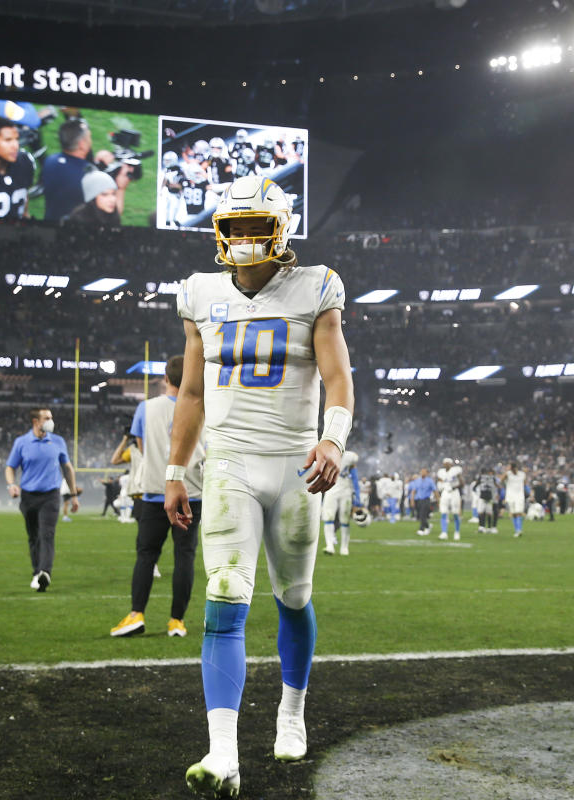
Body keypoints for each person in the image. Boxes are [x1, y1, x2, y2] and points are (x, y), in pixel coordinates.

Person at [164, 175, 354, 796]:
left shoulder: (315, 286)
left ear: (281, 229)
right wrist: (174, 471)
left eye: (255, 226)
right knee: (224, 593)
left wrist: (333, 440)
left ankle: (291, 713)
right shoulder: (198, 294)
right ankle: (223, 753)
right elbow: (190, 393)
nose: (244, 239)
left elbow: (337, 376)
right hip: (230, 464)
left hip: (298, 464)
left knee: (293, 597)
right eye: (234, 226)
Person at [111, 355, 205, 639]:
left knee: (146, 555)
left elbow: (141, 447)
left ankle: (136, 614)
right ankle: (177, 621)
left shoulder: (146, 408)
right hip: (192, 491)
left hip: (155, 491)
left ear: (166, 379)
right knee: (184, 557)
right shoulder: (204, 406)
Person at [5, 408, 80, 592]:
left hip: (51, 496)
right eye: (47, 418)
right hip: (28, 497)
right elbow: (10, 467)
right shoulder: (22, 442)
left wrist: (73, 495)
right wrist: (11, 484)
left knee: (47, 534)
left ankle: (45, 572)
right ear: (35, 421)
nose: (51, 421)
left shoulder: (58, 442)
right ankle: (36, 572)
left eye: (51, 417)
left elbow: (68, 469)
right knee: (34, 537)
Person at [42, 117, 130, 221]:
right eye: (89, 137)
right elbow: (112, 212)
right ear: (82, 144)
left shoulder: (49, 161)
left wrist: (95, 165)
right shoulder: (90, 177)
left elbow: (71, 173)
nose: (90, 140)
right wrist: (121, 188)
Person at [321, 450, 360, 556]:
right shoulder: (327, 454)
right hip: (331, 490)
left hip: (345, 491)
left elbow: (355, 477)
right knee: (328, 517)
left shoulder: (350, 457)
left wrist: (357, 495)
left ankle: (344, 547)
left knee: (345, 519)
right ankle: (330, 546)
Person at [435, 457, 463, 541]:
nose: (446, 464)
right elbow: (440, 481)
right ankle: (444, 532)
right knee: (443, 512)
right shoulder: (441, 472)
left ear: (451, 464)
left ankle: (457, 532)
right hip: (445, 492)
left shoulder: (456, 470)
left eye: (448, 463)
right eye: (445, 463)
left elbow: (462, 483)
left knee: (455, 513)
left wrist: (459, 479)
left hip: (454, 492)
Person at [505, 462, 528, 537]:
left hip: (519, 496)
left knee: (518, 512)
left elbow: (525, 483)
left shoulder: (522, 474)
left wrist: (528, 492)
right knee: (513, 514)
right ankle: (517, 530)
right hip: (510, 496)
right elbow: (501, 480)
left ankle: (519, 530)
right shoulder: (508, 474)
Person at [410, 468, 435, 536]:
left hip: (426, 499)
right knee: (420, 515)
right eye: (421, 472)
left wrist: (438, 500)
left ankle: (421, 529)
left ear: (427, 473)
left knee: (422, 514)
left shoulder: (430, 481)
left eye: (424, 472)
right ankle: (427, 526)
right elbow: (413, 491)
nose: (422, 473)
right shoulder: (417, 481)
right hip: (418, 500)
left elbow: (435, 490)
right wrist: (412, 500)